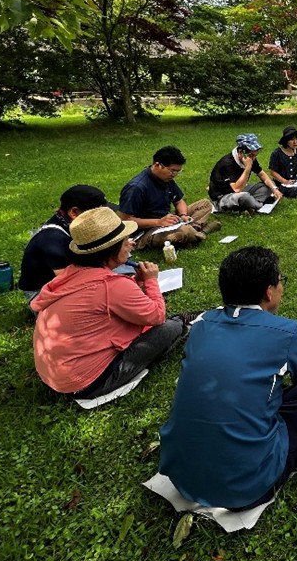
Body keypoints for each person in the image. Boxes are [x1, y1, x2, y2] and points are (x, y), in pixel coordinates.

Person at [158, 246, 297, 510]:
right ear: (269, 292)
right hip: (246, 485)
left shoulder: (202, 324)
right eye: (280, 281)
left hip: (180, 476)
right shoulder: (290, 333)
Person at [31, 207, 185, 400]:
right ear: (110, 251)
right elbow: (156, 316)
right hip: (87, 384)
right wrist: (151, 281)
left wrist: (136, 282)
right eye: (124, 240)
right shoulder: (111, 285)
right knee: (170, 328)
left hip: (55, 377)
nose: (131, 243)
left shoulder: (71, 274)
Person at [19, 184, 112, 304]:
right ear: (74, 212)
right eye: (95, 214)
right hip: (41, 294)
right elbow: (69, 283)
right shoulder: (53, 240)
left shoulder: (67, 225)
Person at [119, 146, 217, 249]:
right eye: (172, 171)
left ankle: (193, 230)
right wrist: (158, 222)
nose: (174, 175)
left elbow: (179, 201)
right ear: (158, 165)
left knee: (205, 204)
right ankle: (196, 231)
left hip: (167, 220)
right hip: (146, 231)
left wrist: (183, 215)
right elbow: (125, 220)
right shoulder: (137, 187)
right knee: (183, 233)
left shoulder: (166, 179)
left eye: (178, 171)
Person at [208, 133, 284, 212]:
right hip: (223, 196)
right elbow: (237, 189)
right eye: (251, 155)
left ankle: (250, 205)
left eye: (255, 155)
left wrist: (274, 189)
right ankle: (258, 205)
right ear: (241, 152)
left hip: (242, 190)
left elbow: (261, 174)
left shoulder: (251, 158)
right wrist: (247, 168)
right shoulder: (227, 163)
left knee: (270, 184)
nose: (253, 158)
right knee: (244, 197)